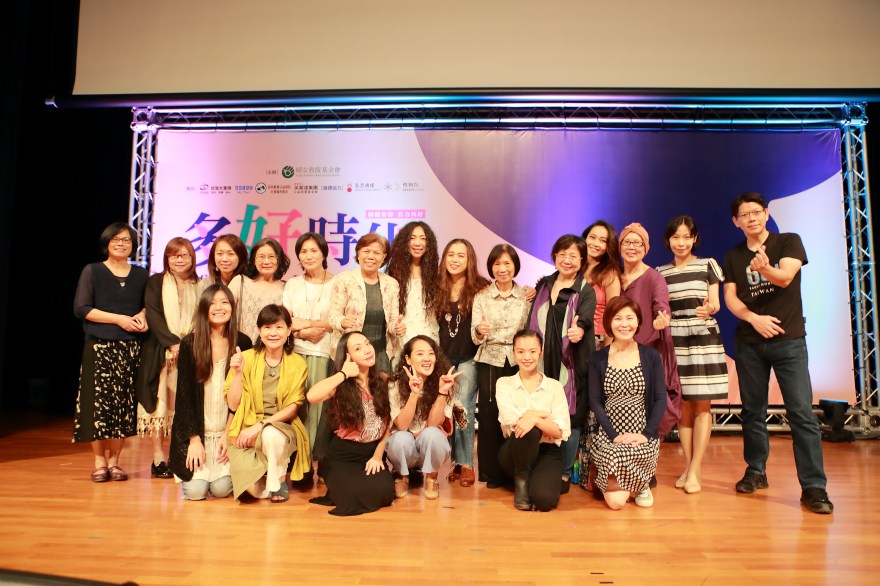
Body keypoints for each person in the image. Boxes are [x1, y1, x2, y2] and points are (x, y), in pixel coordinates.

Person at [722, 191, 833, 514]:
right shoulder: (733, 255)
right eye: (745, 214)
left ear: (766, 214)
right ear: (736, 221)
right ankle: (756, 470)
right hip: (749, 342)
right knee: (752, 412)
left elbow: (785, 278)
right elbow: (731, 298)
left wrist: (766, 268)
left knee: (801, 413)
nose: (752, 218)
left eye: (757, 212)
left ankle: (813, 487)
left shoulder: (788, 242)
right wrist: (753, 318)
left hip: (789, 341)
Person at [657, 216, 729, 494]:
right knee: (683, 408)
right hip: (675, 339)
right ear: (668, 240)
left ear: (695, 238)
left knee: (702, 406)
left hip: (702, 338)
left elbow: (716, 303)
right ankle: (689, 467)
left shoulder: (708, 264)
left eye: (687, 237)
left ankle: (696, 469)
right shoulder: (661, 272)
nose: (681, 242)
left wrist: (710, 308)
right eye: (676, 237)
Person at [73, 222, 149, 482]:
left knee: (123, 406)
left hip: (129, 347)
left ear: (133, 245)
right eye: (116, 239)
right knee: (97, 406)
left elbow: (148, 305)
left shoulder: (140, 274)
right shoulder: (92, 271)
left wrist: (142, 315)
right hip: (99, 346)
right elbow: (82, 308)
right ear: (106, 243)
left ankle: (115, 462)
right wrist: (119, 319)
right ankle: (99, 462)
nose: (121, 243)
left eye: (126, 240)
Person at [168, 284, 253, 500]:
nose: (219, 308)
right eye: (213, 303)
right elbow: (184, 398)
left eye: (224, 302)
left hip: (227, 431)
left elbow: (244, 397)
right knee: (195, 492)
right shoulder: (190, 343)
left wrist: (228, 434)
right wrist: (194, 441)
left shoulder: (243, 342)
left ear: (232, 307)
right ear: (204, 308)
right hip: (198, 433)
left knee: (221, 490)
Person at [528, 234, 595, 493]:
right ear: (555, 256)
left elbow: (585, 318)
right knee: (541, 409)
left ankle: (565, 472)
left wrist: (579, 329)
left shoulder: (585, 289)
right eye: (562, 254)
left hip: (572, 361)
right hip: (543, 359)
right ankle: (541, 465)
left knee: (570, 415)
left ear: (582, 260)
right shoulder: (544, 284)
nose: (567, 260)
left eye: (573, 256)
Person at [225, 304, 310, 503]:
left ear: (289, 330)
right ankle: (269, 476)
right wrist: (237, 374)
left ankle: (278, 481)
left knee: (270, 434)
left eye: (279, 327)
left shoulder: (298, 363)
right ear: (259, 330)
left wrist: (259, 427)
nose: (273, 333)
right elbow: (233, 405)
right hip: (245, 428)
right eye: (267, 327)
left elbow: (292, 409)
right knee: (250, 491)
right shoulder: (245, 358)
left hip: (281, 427)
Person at [589, 296, 667, 510]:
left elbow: (660, 399)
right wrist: (614, 435)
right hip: (609, 435)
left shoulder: (651, 356)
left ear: (638, 322)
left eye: (630, 318)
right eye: (618, 318)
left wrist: (646, 434)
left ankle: (642, 483)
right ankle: (633, 478)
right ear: (609, 323)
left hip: (642, 435)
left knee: (618, 497)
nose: (624, 324)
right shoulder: (597, 358)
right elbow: (595, 402)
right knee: (616, 503)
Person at [307, 332, 395, 516]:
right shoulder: (342, 384)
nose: (367, 350)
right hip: (342, 457)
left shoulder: (382, 380)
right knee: (353, 497)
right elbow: (312, 396)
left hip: (370, 454)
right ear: (348, 357)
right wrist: (343, 373)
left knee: (385, 493)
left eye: (367, 343)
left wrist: (378, 455)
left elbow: (388, 424)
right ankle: (337, 483)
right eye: (358, 348)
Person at [136, 236, 199, 479]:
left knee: (181, 407)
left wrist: (188, 344)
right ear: (167, 259)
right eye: (173, 255)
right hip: (161, 351)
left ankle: (177, 456)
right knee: (160, 407)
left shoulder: (199, 284)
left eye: (184, 255)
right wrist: (172, 343)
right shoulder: (156, 282)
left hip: (189, 353)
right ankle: (158, 458)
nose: (179, 259)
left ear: (192, 258)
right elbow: (152, 314)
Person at [472, 244, 532, 487]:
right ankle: (491, 473)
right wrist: (479, 330)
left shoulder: (526, 296)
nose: (502, 268)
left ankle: (514, 470)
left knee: (516, 413)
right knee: (489, 415)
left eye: (507, 263)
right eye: (497, 264)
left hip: (519, 360)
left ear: (515, 266)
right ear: (491, 267)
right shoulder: (481, 296)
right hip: (490, 358)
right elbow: (474, 336)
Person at [496, 329, 571, 511]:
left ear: (541, 352)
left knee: (544, 501)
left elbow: (561, 431)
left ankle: (544, 481)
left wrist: (534, 419)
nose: (527, 357)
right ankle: (521, 480)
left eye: (532, 351)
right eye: (521, 351)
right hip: (515, 451)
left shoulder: (554, 387)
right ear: (514, 353)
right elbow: (511, 420)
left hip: (546, 451)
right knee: (529, 430)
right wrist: (544, 416)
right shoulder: (504, 383)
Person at [619, 222, 681, 441]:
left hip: (645, 350)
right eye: (627, 242)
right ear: (619, 246)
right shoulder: (614, 277)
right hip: (617, 352)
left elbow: (661, 305)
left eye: (638, 243)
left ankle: (648, 457)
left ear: (646, 248)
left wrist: (662, 319)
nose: (632, 247)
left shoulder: (654, 277)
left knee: (647, 412)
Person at [436, 238, 489, 488]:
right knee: (447, 410)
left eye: (461, 255)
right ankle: (456, 462)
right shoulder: (436, 287)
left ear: (470, 260)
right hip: (443, 359)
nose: (455, 260)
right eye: (451, 255)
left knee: (462, 408)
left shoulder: (481, 287)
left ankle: (467, 463)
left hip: (469, 358)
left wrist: (528, 291)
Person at [282, 232, 335, 465]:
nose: (308, 256)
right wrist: (304, 331)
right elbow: (286, 320)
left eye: (314, 250)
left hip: (324, 354)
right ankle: (297, 461)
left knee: (320, 410)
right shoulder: (293, 284)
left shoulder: (337, 284)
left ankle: (319, 460)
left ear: (324, 253)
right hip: (294, 354)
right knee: (296, 407)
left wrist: (305, 323)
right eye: (303, 251)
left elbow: (336, 322)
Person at [386, 336, 458, 500]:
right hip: (406, 449)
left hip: (428, 449)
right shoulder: (394, 385)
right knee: (400, 438)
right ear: (408, 359)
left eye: (431, 353)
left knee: (433, 434)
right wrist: (414, 394)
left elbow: (433, 424)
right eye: (420, 354)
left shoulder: (446, 383)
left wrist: (442, 392)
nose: (427, 358)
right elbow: (402, 425)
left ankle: (432, 478)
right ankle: (402, 476)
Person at [328, 233, 401, 374]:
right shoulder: (344, 279)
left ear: (384, 257)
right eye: (366, 251)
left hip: (379, 354)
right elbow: (333, 315)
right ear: (358, 253)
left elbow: (392, 322)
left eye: (377, 253)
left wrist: (397, 328)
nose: (371, 256)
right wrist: (342, 321)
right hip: (349, 355)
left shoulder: (391, 284)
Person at [386, 221, 440, 345]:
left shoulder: (435, 275)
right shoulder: (393, 275)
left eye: (423, 238)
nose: (417, 243)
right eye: (412, 238)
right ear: (404, 242)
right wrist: (394, 327)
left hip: (428, 337)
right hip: (402, 338)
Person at [229, 237, 289, 344]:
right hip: (243, 348)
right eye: (261, 257)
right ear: (253, 260)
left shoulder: (286, 288)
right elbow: (225, 313)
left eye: (271, 257)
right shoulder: (240, 282)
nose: (266, 261)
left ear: (279, 260)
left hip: (274, 349)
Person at [582, 220, 622, 349]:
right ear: (585, 238)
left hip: (596, 338)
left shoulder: (610, 274)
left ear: (609, 246)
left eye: (602, 240)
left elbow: (612, 313)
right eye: (592, 237)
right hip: (569, 335)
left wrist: (608, 348)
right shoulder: (575, 268)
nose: (595, 244)